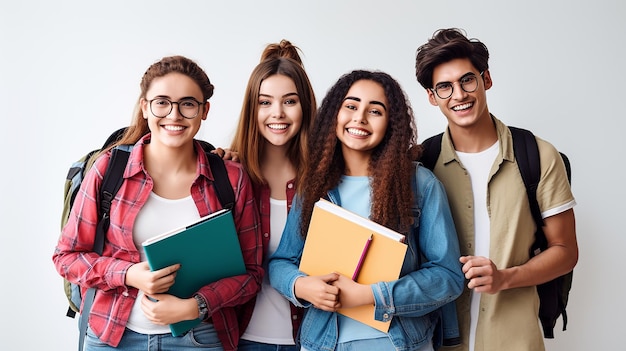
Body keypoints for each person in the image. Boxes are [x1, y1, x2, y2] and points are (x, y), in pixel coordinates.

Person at [52, 55, 263, 351]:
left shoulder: (231, 178)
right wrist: (128, 274)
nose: (174, 115)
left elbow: (251, 274)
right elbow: (67, 256)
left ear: (204, 111)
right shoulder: (109, 169)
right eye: (162, 102)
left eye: (188, 104)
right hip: (112, 337)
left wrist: (196, 306)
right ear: (145, 107)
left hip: (199, 339)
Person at [268, 69, 464, 351]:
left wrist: (372, 295)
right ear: (335, 114)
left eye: (375, 111)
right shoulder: (312, 186)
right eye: (351, 106)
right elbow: (280, 263)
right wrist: (301, 286)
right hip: (323, 343)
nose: (359, 117)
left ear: (391, 124)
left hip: (399, 343)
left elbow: (448, 276)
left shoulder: (420, 184)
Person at [414, 28, 579, 351]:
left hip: (515, 340)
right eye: (444, 87)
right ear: (432, 97)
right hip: (435, 340)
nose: (459, 95)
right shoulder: (421, 163)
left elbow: (566, 251)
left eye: (467, 80)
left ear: (486, 79)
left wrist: (505, 278)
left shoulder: (538, 155)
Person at [229, 39, 317, 350]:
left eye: (289, 101)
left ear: (305, 106)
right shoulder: (228, 177)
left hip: (314, 338)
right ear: (251, 109)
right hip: (242, 338)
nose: (277, 113)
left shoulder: (326, 182)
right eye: (264, 102)